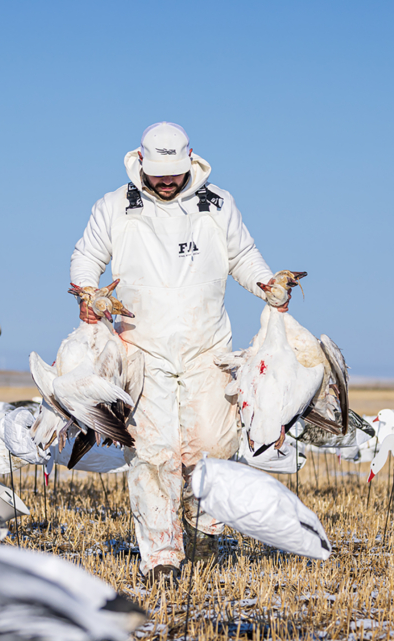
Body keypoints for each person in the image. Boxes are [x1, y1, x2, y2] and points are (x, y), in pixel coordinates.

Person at [69, 122, 289, 584]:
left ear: (190, 161)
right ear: (142, 164)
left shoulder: (218, 204)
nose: (166, 181)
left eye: (174, 172)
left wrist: (266, 285)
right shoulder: (115, 207)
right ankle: (162, 556)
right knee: (153, 453)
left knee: (214, 443)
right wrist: (89, 292)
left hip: (208, 347)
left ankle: (203, 527)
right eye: (158, 173)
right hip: (141, 348)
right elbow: (85, 257)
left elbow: (243, 257)